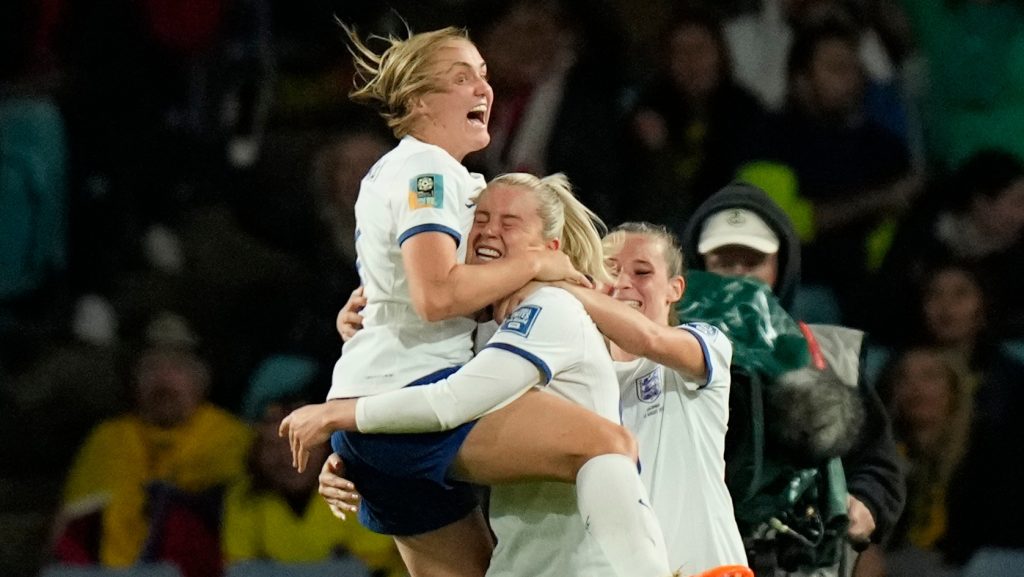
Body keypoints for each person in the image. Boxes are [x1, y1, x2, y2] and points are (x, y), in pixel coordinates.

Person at [282, 172, 682, 577]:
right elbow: (424, 392)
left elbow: (452, 402)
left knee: (607, 444)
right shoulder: (477, 327)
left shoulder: (550, 308)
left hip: (588, 567)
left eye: (509, 223)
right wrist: (354, 454)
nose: (489, 231)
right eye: (482, 219)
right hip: (519, 564)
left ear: (549, 248)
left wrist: (338, 417)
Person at [680, 181, 906, 576]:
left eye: (753, 260)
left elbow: (878, 461)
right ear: (696, 268)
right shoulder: (660, 356)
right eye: (723, 260)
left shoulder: (833, 355)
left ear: (781, 267)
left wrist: (864, 503)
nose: (738, 275)